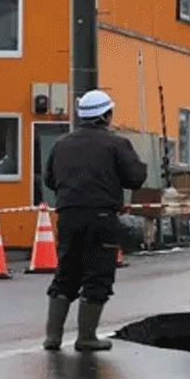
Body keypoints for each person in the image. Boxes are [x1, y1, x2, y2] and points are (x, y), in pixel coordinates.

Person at [43, 90, 148, 351]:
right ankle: (86, 336)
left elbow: (48, 179)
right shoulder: (115, 144)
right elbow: (134, 178)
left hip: (67, 215)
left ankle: (52, 337)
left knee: (66, 273)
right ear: (106, 115)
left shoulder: (61, 144)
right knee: (98, 274)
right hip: (101, 217)